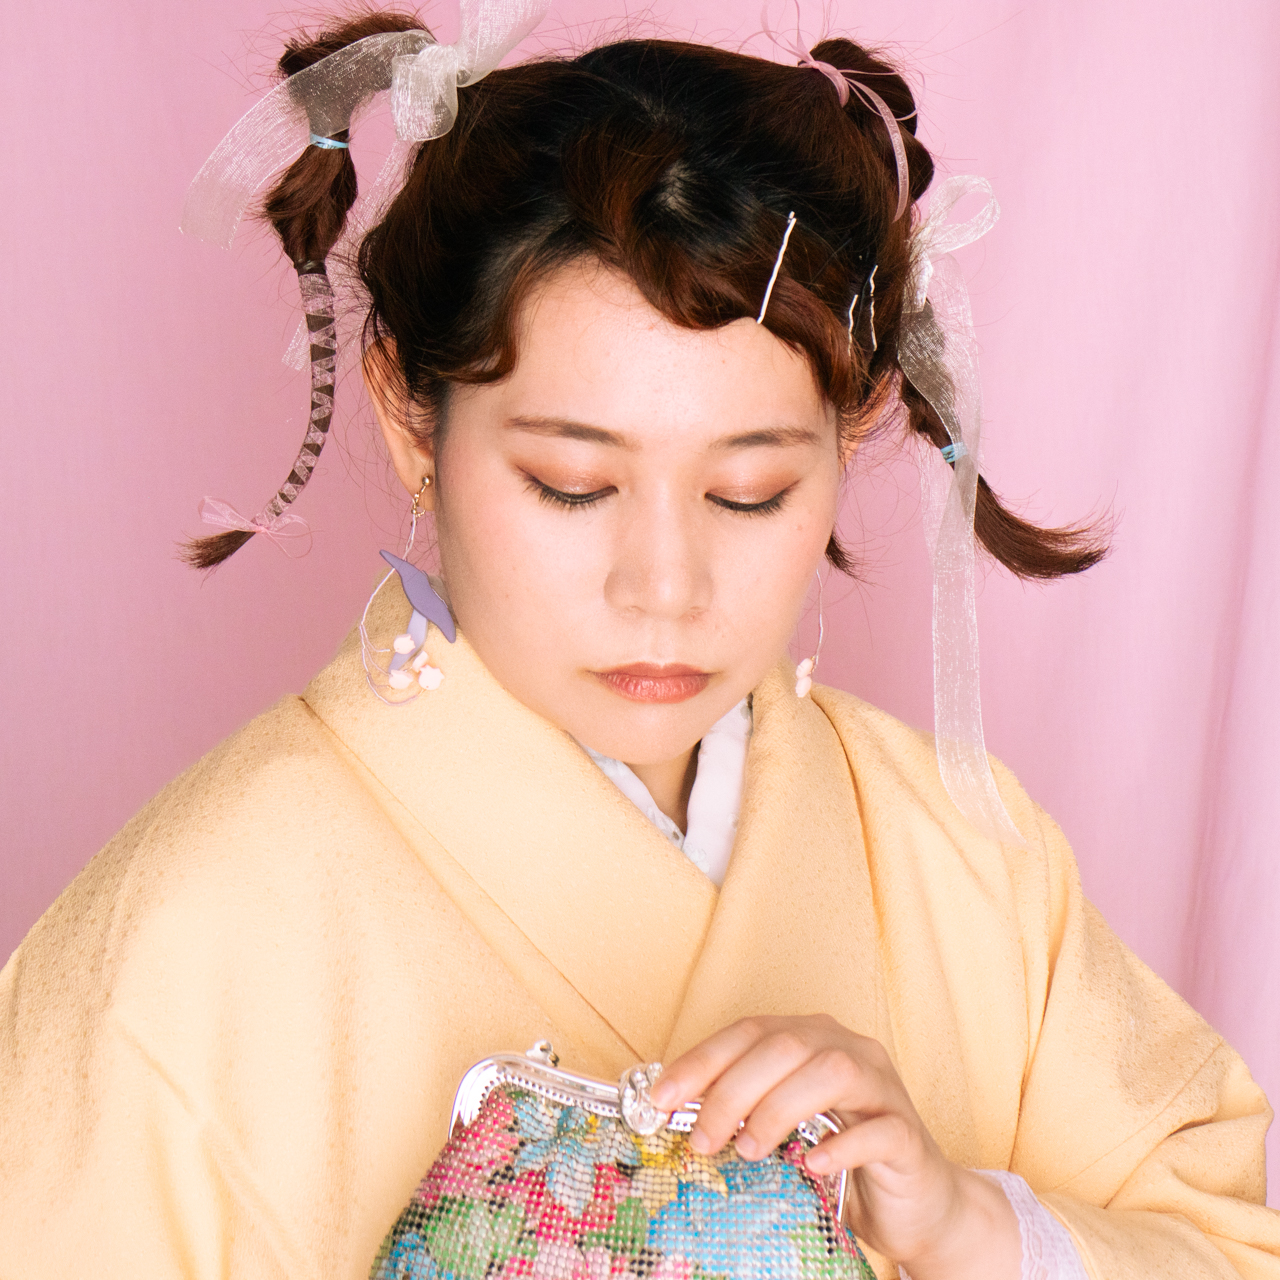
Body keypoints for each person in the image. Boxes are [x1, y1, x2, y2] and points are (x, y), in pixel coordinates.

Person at [1, 8, 1277, 1279]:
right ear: (409, 417)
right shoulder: (189, 933)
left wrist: (966, 1225)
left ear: (853, 430)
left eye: (748, 492)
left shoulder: (962, 855)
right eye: (571, 483)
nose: (664, 588)